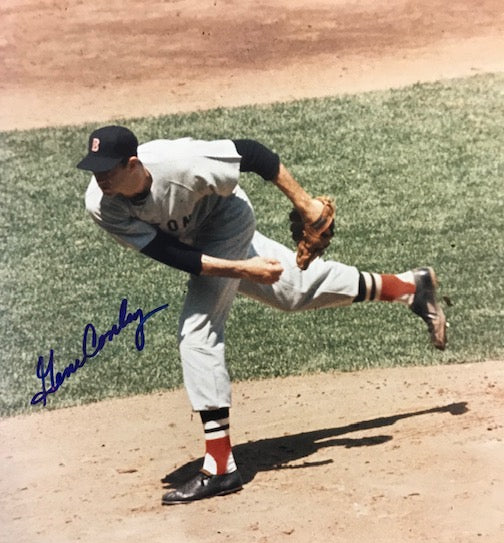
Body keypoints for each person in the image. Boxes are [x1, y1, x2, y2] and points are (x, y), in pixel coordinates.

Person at [77, 125, 446, 505]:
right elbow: (171, 255)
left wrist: (305, 204)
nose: (100, 177)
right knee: (296, 291)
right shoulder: (101, 204)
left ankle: (220, 467)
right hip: (197, 243)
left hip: (227, 219)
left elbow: (252, 153)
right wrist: (244, 269)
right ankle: (410, 287)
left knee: (198, 332)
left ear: (133, 163)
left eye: (107, 169)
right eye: (94, 169)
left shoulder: (183, 165)